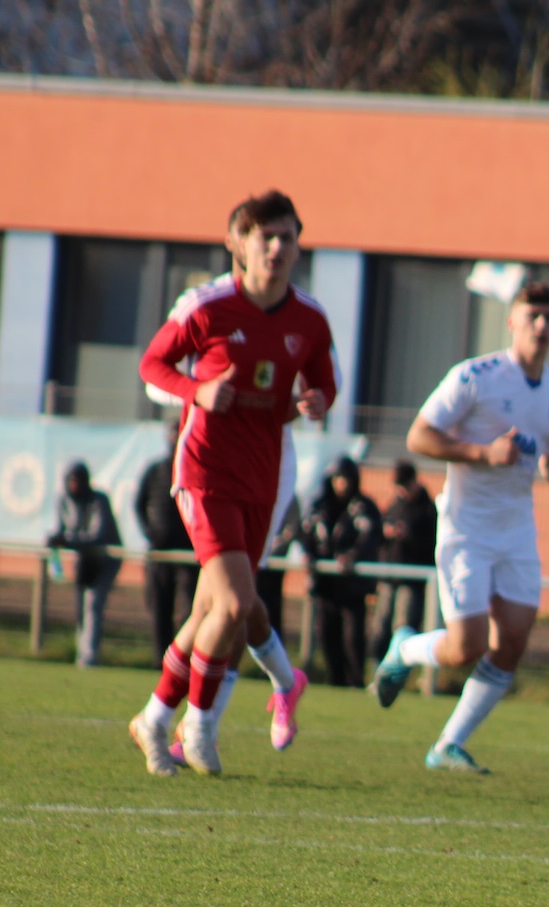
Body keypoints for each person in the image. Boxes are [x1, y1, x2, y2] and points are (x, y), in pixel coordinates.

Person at [129, 190, 335, 776]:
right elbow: (151, 365)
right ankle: (197, 726)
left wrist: (318, 400)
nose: (276, 247)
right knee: (239, 602)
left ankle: (152, 718)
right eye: (265, 236)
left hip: (262, 476)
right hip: (204, 470)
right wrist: (197, 390)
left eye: (287, 237)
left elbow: (324, 382)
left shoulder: (309, 319)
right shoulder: (206, 306)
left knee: (209, 614)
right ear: (238, 243)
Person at [370, 280, 549, 772]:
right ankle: (404, 649)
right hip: (466, 529)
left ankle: (448, 745)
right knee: (464, 648)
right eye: (532, 315)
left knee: (513, 640)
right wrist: (481, 452)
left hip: (516, 529)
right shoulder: (475, 376)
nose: (541, 325)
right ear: (511, 320)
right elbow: (419, 436)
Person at [301, 457, 382, 687]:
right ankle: (334, 680)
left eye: (346, 478)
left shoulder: (364, 507)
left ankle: (356, 681)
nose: (342, 484)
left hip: (352, 586)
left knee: (352, 637)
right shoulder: (320, 506)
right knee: (326, 634)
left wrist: (352, 557)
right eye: (338, 478)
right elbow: (305, 532)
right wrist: (309, 554)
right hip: (325, 585)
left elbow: (370, 536)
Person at [47, 460, 123, 668]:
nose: (74, 485)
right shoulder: (64, 500)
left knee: (93, 603)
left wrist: (68, 541)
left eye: (78, 480)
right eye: (71, 480)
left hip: (105, 559)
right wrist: (56, 539)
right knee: (80, 607)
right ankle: (81, 652)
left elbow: (98, 536)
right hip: (83, 559)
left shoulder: (99, 500)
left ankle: (89, 657)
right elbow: (63, 530)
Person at [135, 425, 198, 663]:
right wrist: (150, 533)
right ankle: (160, 660)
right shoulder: (156, 471)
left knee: (188, 611)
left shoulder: (194, 469)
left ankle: (182, 661)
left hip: (188, 554)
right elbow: (139, 504)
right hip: (160, 553)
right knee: (159, 608)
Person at [370, 459, 438, 660]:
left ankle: (398, 671)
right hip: (390, 577)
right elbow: (378, 534)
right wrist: (386, 532)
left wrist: (409, 536)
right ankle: (376, 669)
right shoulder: (395, 505)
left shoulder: (427, 509)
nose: (401, 491)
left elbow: (432, 544)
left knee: (403, 627)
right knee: (380, 627)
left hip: (411, 580)